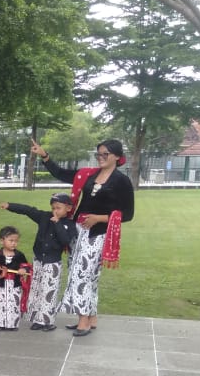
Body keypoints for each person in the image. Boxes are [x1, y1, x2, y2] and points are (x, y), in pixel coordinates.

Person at [31, 139, 135, 337]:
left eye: (105, 154)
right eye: (98, 154)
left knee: (82, 274)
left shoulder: (121, 181)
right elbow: (61, 174)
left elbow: (128, 214)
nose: (101, 158)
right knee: (88, 275)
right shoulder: (88, 175)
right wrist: (44, 155)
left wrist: (98, 218)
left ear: (117, 157)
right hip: (77, 232)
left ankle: (83, 321)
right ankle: (92, 317)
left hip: (97, 234)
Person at [0, 193, 76, 331]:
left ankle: (48, 321)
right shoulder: (44, 217)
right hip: (38, 260)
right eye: (53, 208)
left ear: (68, 208)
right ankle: (37, 319)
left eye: (58, 208)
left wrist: (57, 223)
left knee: (49, 292)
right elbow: (28, 210)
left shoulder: (69, 225)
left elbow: (65, 240)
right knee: (36, 290)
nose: (55, 211)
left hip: (52, 263)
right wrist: (10, 206)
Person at [0, 225, 31, 331]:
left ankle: (12, 324)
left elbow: (26, 266)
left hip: (15, 284)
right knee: (0, 303)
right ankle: (0, 323)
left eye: (16, 241)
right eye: (11, 240)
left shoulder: (19, 255)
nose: (14, 243)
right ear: (2, 241)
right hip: (1, 283)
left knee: (13, 303)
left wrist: (23, 270)